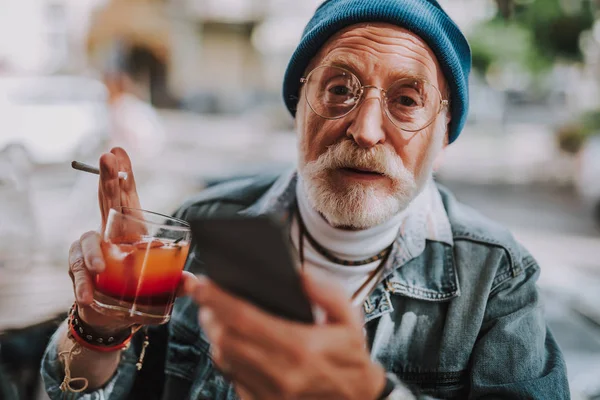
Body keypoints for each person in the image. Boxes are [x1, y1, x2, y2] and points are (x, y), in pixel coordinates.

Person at [41, 0, 570, 399]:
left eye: (407, 101)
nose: (364, 131)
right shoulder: (201, 228)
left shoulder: (496, 278)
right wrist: (98, 327)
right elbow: (73, 387)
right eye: (339, 89)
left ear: (444, 135)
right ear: (299, 107)